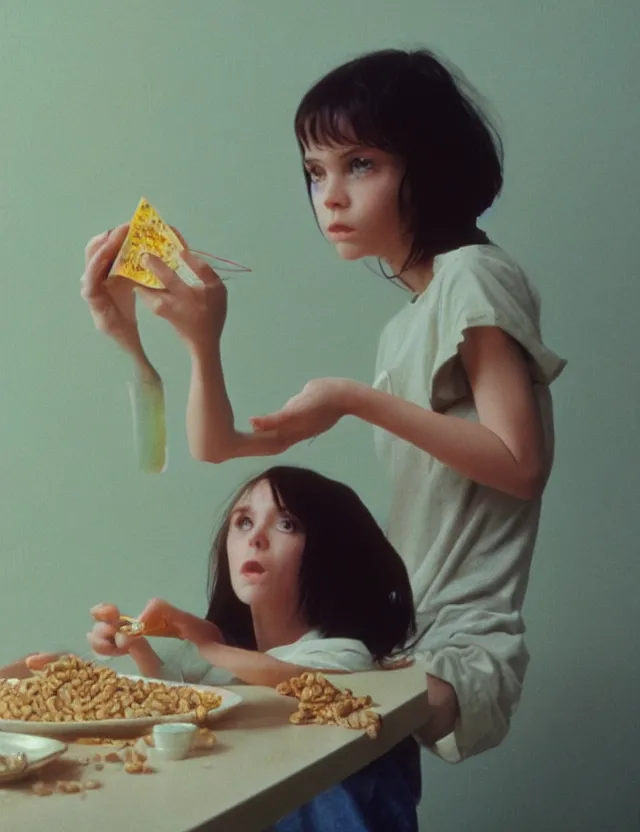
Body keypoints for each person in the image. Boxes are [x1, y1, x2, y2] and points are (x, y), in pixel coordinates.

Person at [81, 47, 567, 762]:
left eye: (359, 164)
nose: (329, 195)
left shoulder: (474, 276)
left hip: (460, 650)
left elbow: (521, 466)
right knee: (241, 735)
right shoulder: (407, 322)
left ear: (427, 166)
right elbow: (220, 448)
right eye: (315, 172)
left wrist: (350, 399)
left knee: (277, 714)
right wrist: (190, 343)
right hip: (397, 642)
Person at [2, 465, 421, 831]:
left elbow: (300, 683)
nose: (255, 537)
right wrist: (140, 650)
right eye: (242, 521)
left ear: (333, 552)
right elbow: (182, 709)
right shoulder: (224, 663)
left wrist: (205, 643)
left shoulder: (341, 652)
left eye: (287, 523)